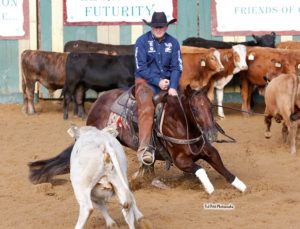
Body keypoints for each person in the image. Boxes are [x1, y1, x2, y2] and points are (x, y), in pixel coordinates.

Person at [134, 11, 183, 165]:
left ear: (166, 27)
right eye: (155, 26)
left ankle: (187, 144)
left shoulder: (173, 43)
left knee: (185, 104)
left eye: (161, 26)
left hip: (169, 83)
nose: (158, 29)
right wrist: (158, 81)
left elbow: (177, 67)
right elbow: (140, 67)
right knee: (147, 109)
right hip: (145, 82)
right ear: (151, 27)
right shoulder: (142, 42)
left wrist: (173, 86)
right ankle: (144, 150)